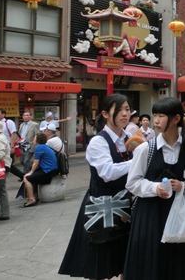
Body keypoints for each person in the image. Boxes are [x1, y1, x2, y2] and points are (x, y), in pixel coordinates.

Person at [124, 97, 185, 279]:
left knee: (179, 263)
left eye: (161, 116)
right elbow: (132, 182)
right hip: (150, 215)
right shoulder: (146, 149)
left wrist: (183, 185)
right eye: (154, 116)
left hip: (180, 214)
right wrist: (154, 187)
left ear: (175, 119)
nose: (156, 121)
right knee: (150, 262)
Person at [59, 93, 133, 279]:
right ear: (106, 114)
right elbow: (107, 173)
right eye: (120, 109)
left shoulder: (130, 137)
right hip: (103, 206)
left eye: (127, 109)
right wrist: (138, 161)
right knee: (100, 257)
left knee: (127, 256)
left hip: (127, 204)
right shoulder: (98, 141)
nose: (125, 114)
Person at [22, 132, 58, 207]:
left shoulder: (39, 147)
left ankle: (31, 199)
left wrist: (31, 172)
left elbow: (36, 162)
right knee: (31, 177)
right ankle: (34, 196)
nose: (33, 140)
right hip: (52, 169)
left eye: (34, 138)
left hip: (48, 171)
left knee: (27, 178)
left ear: (38, 140)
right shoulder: (44, 146)